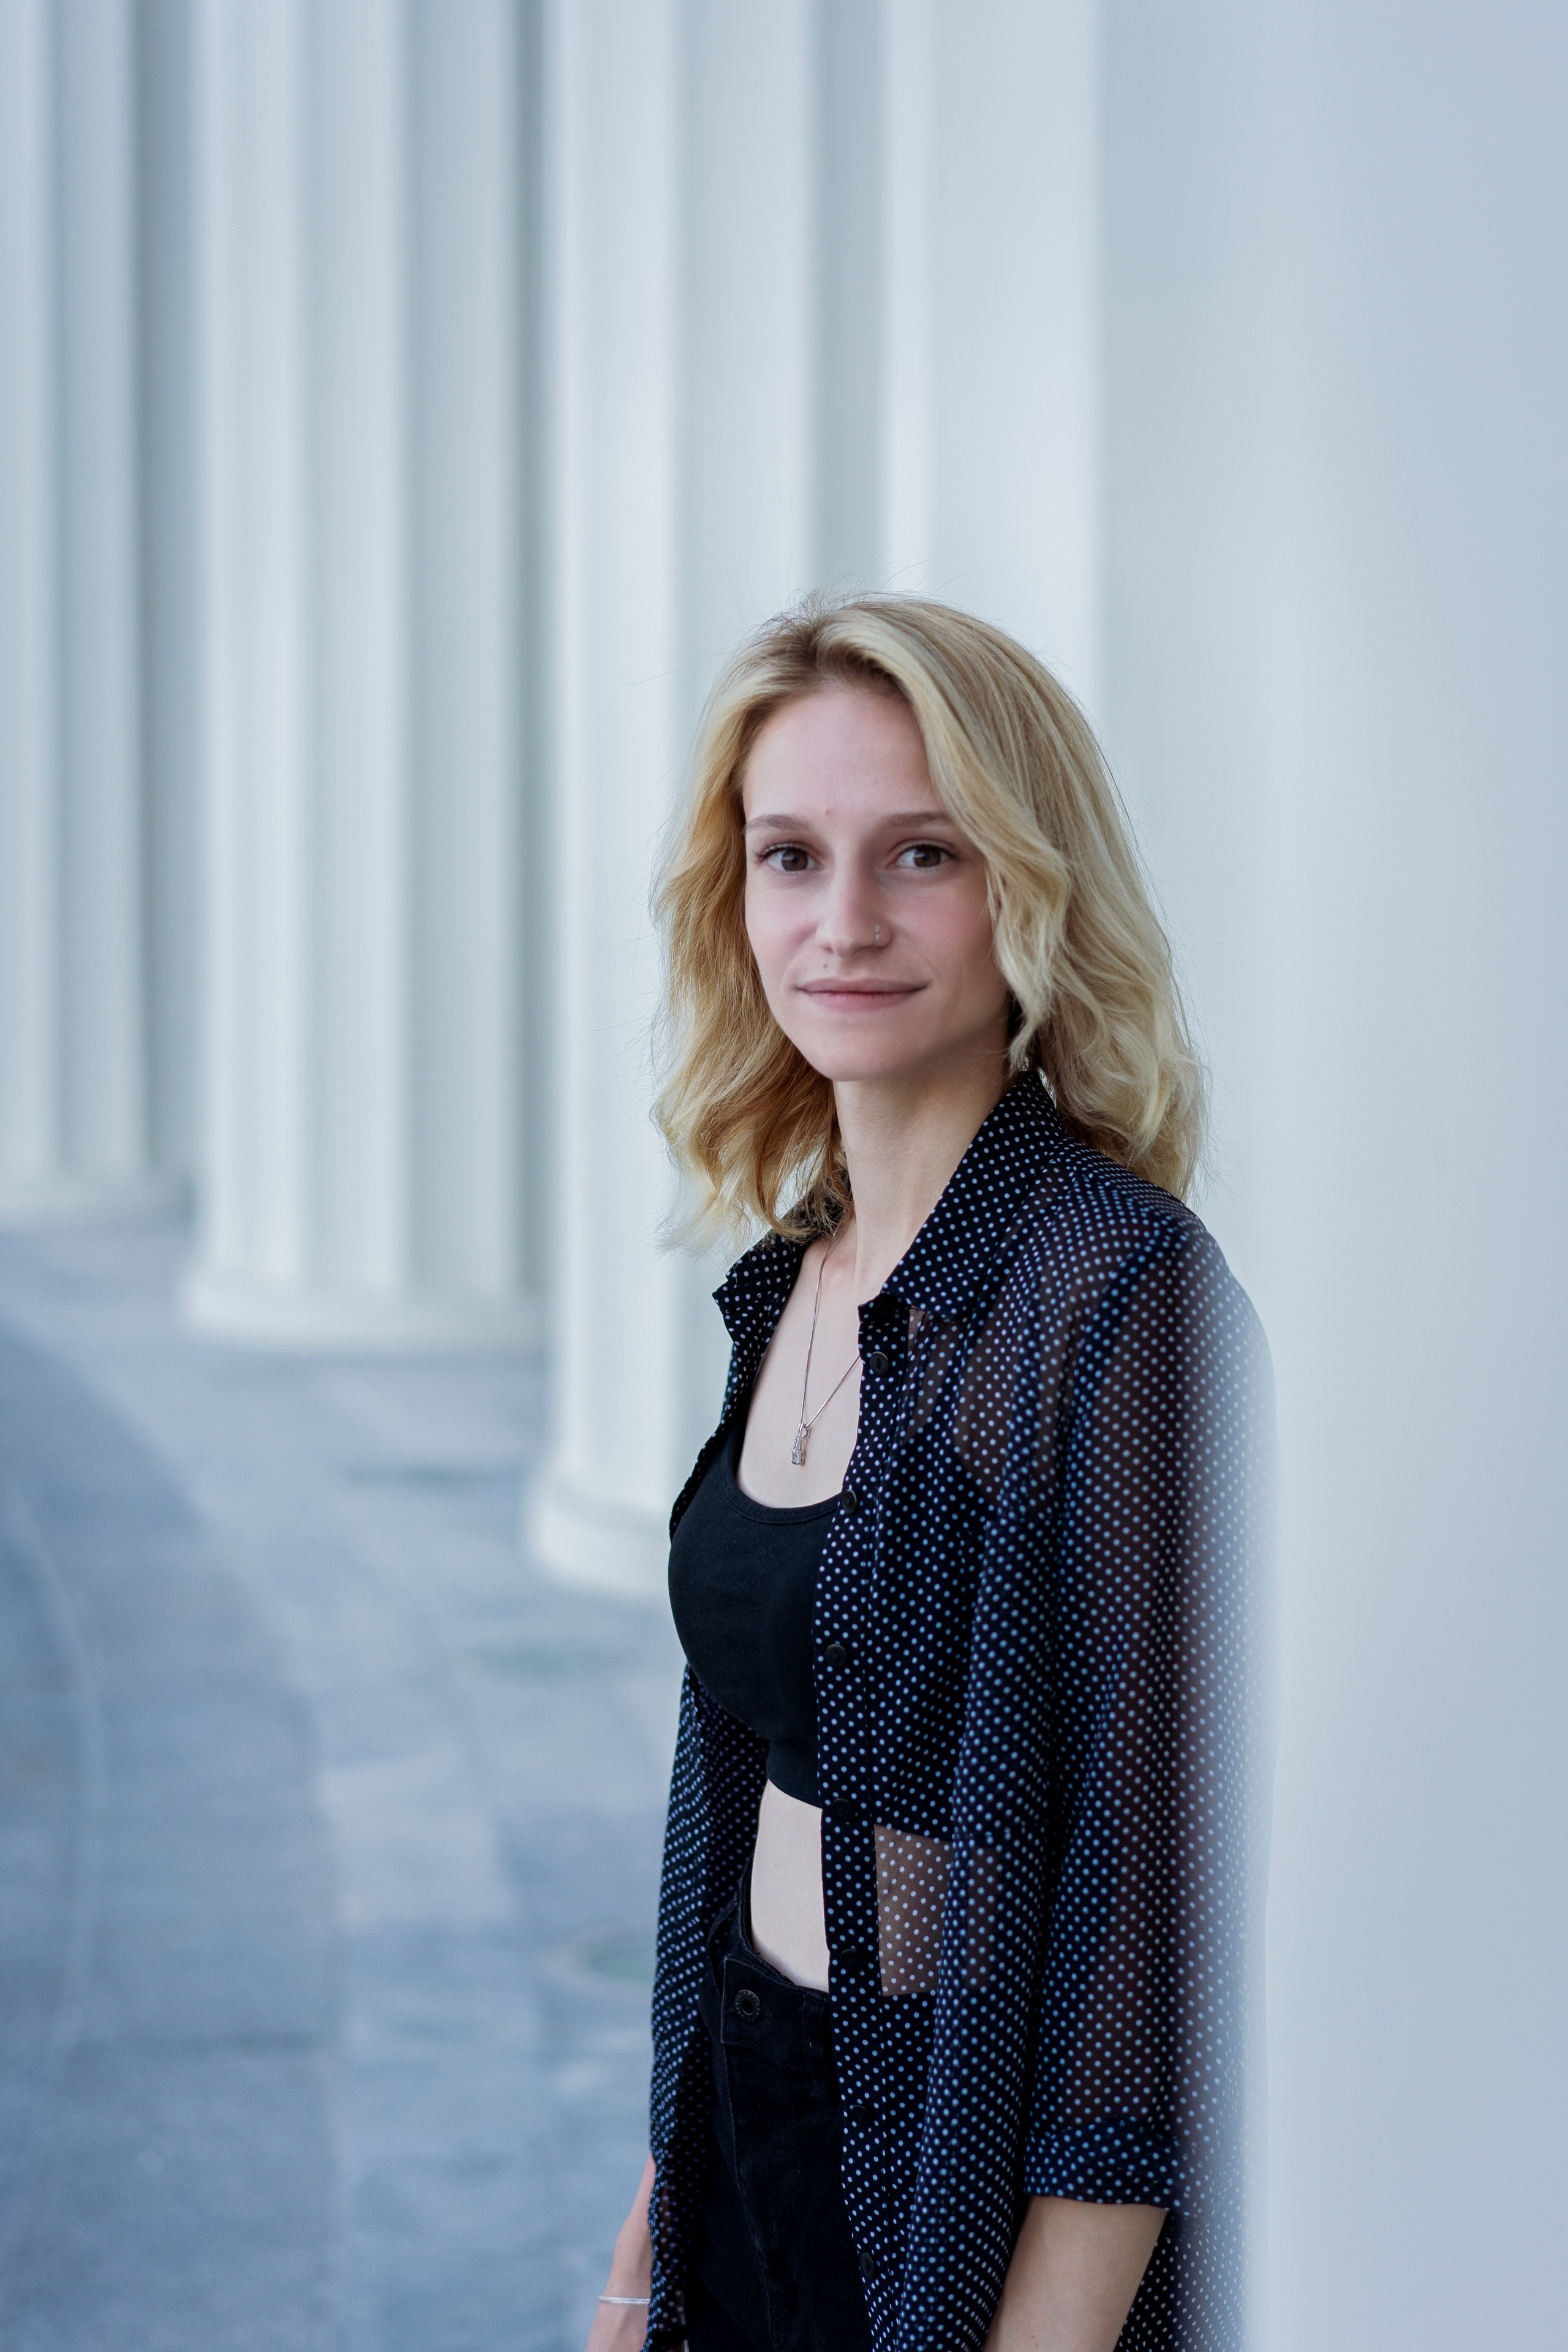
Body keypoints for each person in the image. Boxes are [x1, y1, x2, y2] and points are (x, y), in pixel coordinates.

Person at [585, 596, 1272, 2352]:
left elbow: (1154, 1905)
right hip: (748, 2132)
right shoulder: (791, 1275)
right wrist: (642, 2258)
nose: (846, 923)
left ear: (1026, 889)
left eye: (922, 855)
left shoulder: (1113, 1295)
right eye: (790, 856)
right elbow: (739, 1792)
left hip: (958, 2202)